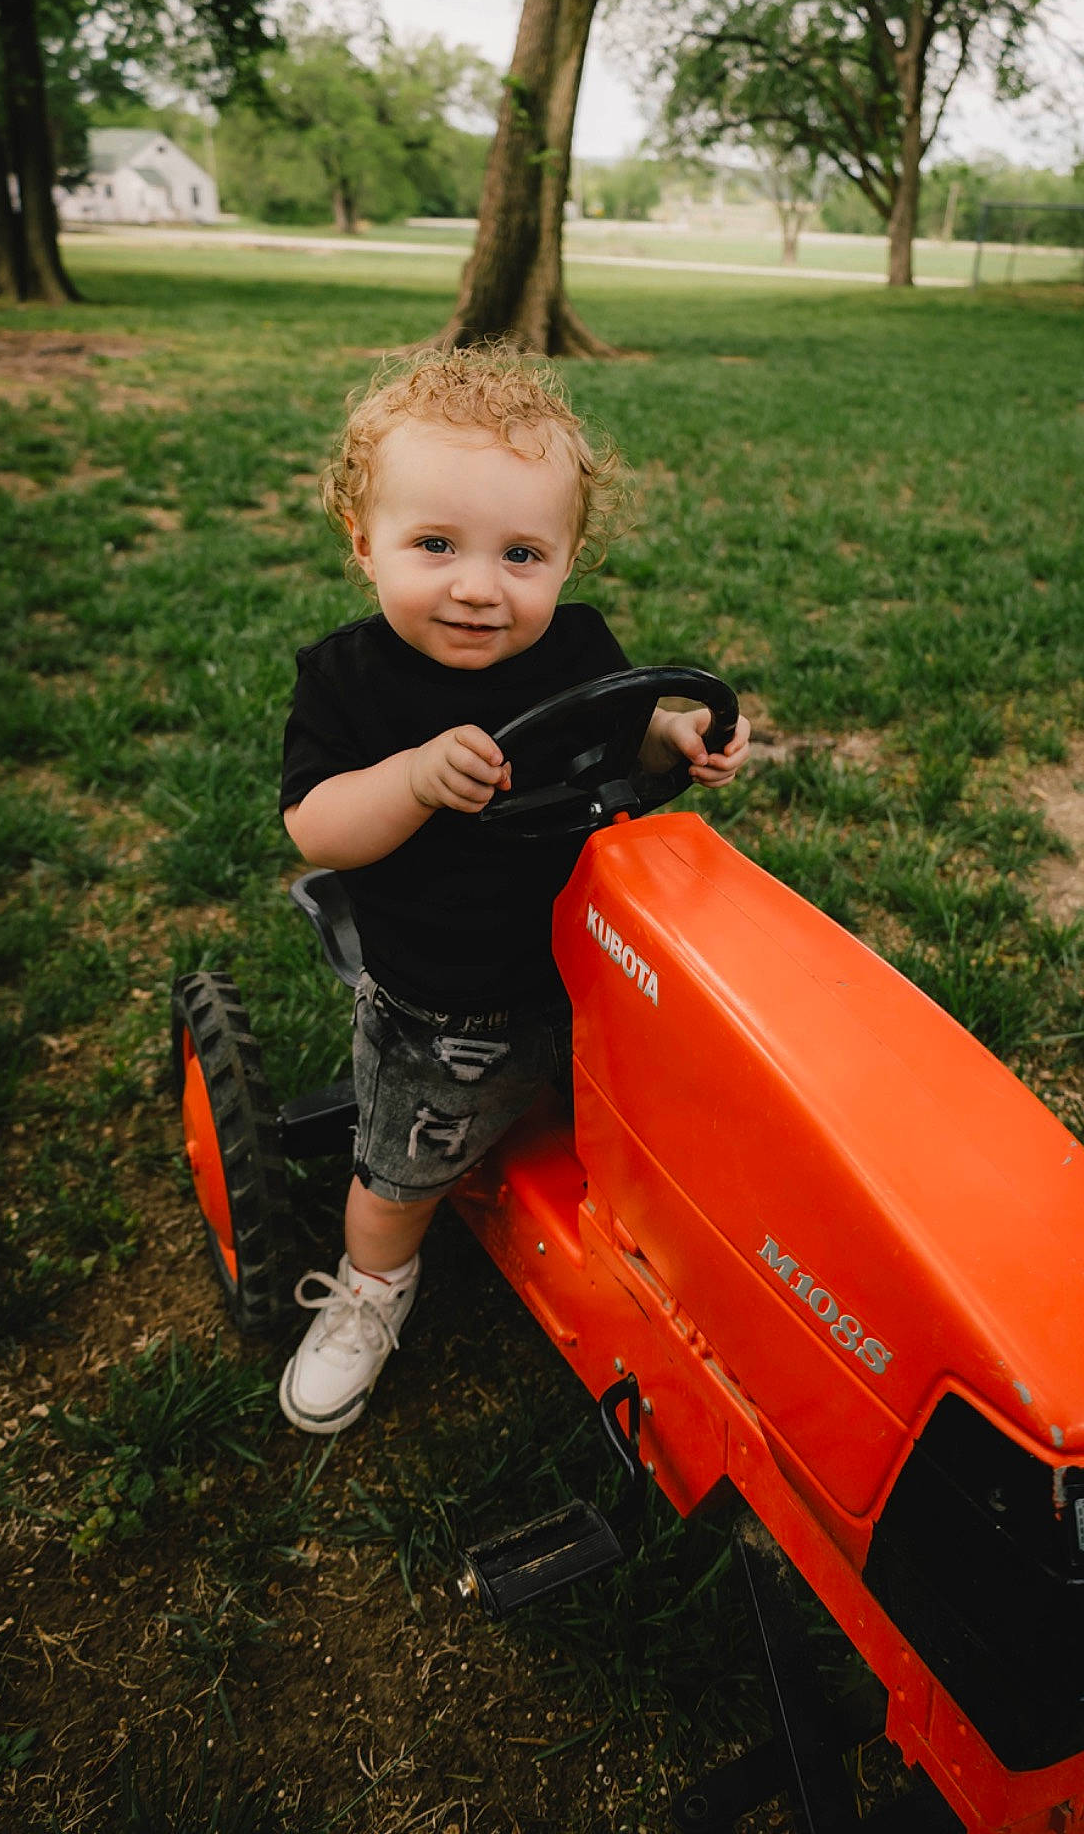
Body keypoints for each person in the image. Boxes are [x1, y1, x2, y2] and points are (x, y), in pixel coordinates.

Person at [277, 350, 751, 1433]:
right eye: (435, 544)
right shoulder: (349, 680)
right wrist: (407, 780)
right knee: (404, 1167)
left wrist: (674, 735)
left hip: (598, 970)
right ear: (365, 543)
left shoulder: (575, 647)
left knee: (674, 1126)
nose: (480, 585)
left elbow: (617, 735)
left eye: (522, 553)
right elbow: (313, 823)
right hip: (449, 1000)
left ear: (568, 556)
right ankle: (371, 1284)